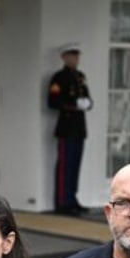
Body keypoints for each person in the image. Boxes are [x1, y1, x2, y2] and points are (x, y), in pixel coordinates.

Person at [48, 42, 92, 215]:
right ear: (64, 58)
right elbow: (53, 101)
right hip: (66, 127)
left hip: (79, 127)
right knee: (65, 166)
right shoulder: (59, 78)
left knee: (75, 165)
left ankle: (72, 198)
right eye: (72, 56)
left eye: (77, 56)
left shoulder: (80, 76)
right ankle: (62, 201)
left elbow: (86, 96)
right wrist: (73, 105)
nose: (75, 59)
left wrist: (87, 103)